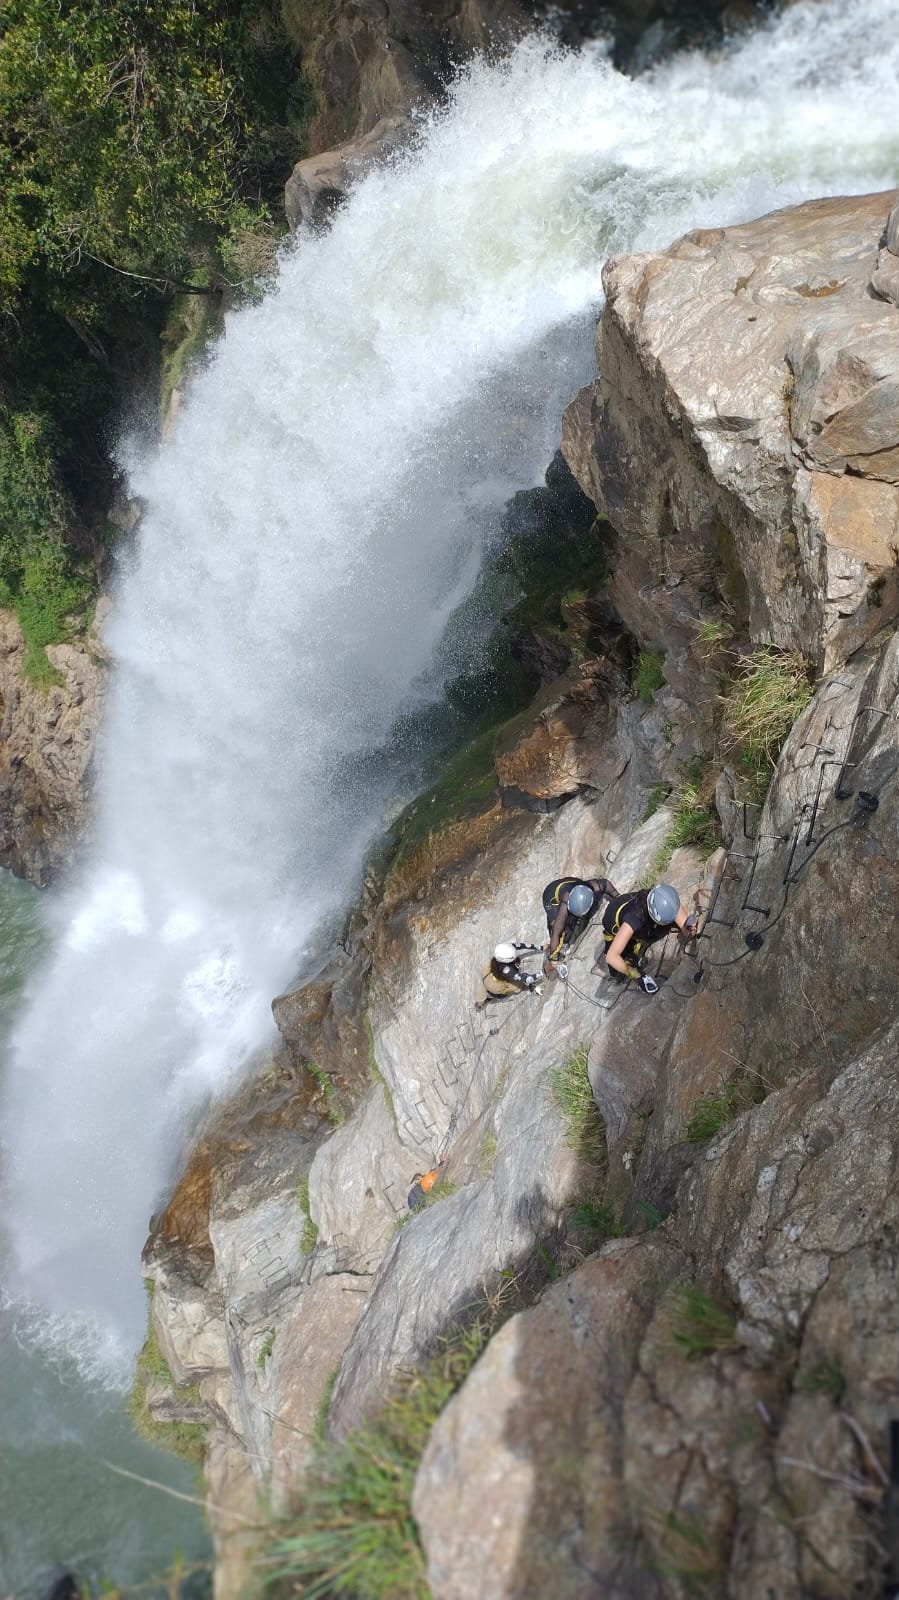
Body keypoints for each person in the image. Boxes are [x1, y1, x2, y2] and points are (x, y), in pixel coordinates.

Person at [600, 881, 698, 993]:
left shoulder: (667, 899)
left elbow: (687, 931)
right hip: (614, 916)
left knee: (656, 932)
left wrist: (690, 928)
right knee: (626, 962)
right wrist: (638, 977)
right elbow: (612, 957)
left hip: (629, 901)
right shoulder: (634, 919)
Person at [542, 875, 619, 975]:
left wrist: (618, 897)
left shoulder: (592, 887)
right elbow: (557, 931)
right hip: (551, 897)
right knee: (562, 929)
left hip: (572, 884)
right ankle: (558, 947)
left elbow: (606, 884)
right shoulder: (564, 904)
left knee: (581, 918)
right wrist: (553, 957)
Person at [477, 941, 543, 1007]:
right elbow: (527, 979)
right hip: (494, 985)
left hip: (487, 972)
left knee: (487, 986)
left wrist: (540, 947)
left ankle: (483, 998)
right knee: (517, 987)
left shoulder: (505, 950)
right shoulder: (506, 970)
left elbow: (520, 945)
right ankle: (491, 996)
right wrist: (544, 972)